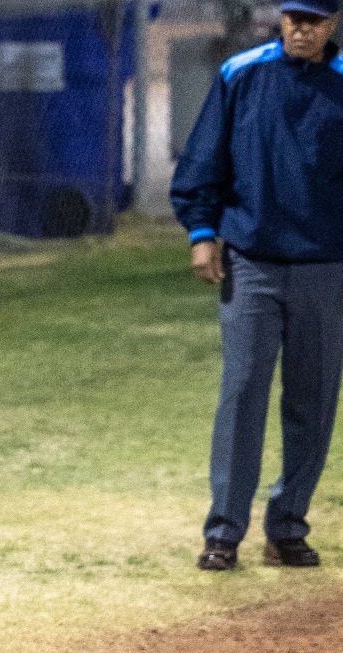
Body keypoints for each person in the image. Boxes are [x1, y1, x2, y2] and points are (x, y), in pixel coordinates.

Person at [173, 0, 343, 571]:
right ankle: (224, 532)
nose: (301, 28)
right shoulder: (242, 74)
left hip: (327, 265)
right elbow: (205, 158)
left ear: (334, 23)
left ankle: (287, 526)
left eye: (314, 20)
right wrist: (202, 231)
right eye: (294, 17)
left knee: (313, 400)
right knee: (243, 393)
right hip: (251, 262)